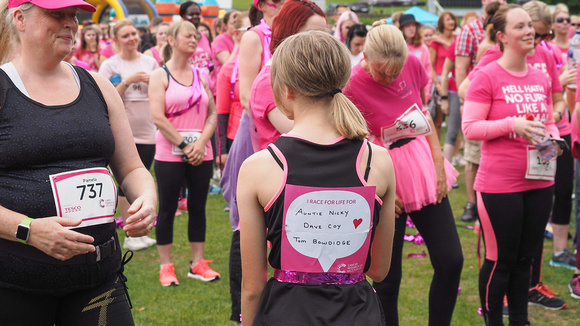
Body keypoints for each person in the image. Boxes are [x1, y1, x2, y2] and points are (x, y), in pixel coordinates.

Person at [0, 0, 157, 324]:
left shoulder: (98, 86)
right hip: (15, 284)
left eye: (73, 15)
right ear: (20, 19)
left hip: (97, 278)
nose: (71, 23)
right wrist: (29, 230)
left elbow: (132, 168)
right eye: (57, 15)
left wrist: (147, 197)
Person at [238, 29, 396, 326]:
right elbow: (379, 269)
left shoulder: (258, 168)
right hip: (358, 315)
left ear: (286, 89)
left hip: (285, 314)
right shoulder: (377, 160)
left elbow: (252, 286)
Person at [344, 22, 463, 326]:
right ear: (365, 57)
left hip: (419, 162)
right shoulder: (350, 84)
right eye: (382, 72)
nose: (388, 78)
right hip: (379, 171)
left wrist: (438, 162)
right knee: (386, 278)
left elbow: (422, 114)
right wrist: (378, 187)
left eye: (394, 72)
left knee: (451, 261)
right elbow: (350, 143)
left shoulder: (410, 61)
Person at [462, 5, 562, 324]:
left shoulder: (540, 76)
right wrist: (511, 124)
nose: (530, 31)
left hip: (540, 181)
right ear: (502, 36)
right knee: (500, 261)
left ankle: (520, 319)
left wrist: (554, 139)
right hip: (499, 185)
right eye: (521, 27)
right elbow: (470, 128)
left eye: (530, 25)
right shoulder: (486, 76)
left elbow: (548, 120)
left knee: (525, 260)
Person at [221, 0, 284, 322]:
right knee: (244, 222)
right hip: (257, 134)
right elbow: (246, 93)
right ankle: (241, 310)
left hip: (281, 136)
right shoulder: (254, 37)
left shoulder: (288, 34)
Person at [148, 20, 219, 286]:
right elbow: (158, 117)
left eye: (196, 36)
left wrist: (200, 144)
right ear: (173, 41)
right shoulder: (160, 75)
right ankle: (166, 266)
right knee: (167, 208)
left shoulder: (202, 74)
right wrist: (185, 145)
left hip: (202, 151)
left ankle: (197, 263)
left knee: (198, 207)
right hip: (170, 153)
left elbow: (212, 112)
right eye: (188, 35)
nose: (194, 39)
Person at [99, 18, 159, 252]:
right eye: (126, 35)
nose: (132, 38)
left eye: (134, 33)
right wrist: (127, 81)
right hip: (123, 131)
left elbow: (162, 90)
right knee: (124, 182)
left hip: (148, 129)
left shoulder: (151, 61)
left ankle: (140, 229)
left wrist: (155, 81)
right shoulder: (110, 66)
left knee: (143, 178)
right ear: (115, 40)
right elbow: (104, 98)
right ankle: (130, 232)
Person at [250, 0, 327, 150]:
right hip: (284, 169)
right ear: (290, 33)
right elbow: (300, 134)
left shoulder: (309, 71)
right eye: (311, 35)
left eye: (324, 35)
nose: (321, 44)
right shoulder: (269, 81)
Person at [455, 0, 507, 223]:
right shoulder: (482, 42)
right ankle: (473, 204)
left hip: (496, 110)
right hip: (480, 107)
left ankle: (486, 205)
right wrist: (463, 101)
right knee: (474, 159)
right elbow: (463, 71)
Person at [216, 11, 250, 170]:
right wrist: (222, 151)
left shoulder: (270, 65)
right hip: (236, 137)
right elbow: (221, 113)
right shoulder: (228, 69)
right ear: (237, 34)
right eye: (250, 29)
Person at [429, 11, 457, 145]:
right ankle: (438, 149)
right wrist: (438, 85)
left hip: (455, 82)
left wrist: (443, 41)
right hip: (440, 81)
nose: (451, 22)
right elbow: (431, 67)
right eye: (448, 19)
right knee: (438, 120)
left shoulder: (457, 39)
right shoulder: (435, 42)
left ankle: (456, 154)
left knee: (455, 119)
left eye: (452, 19)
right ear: (442, 23)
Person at [399, 14, 433, 108]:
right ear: (402, 28)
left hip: (420, 93)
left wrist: (426, 95)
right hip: (402, 94)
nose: (411, 28)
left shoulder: (422, 48)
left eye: (413, 25)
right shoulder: (398, 48)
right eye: (408, 26)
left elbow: (428, 72)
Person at [212, 11, 239, 84]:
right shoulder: (220, 39)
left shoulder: (243, 38)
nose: (236, 26)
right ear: (225, 26)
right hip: (224, 83)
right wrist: (237, 44)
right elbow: (227, 63)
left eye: (238, 22)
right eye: (232, 23)